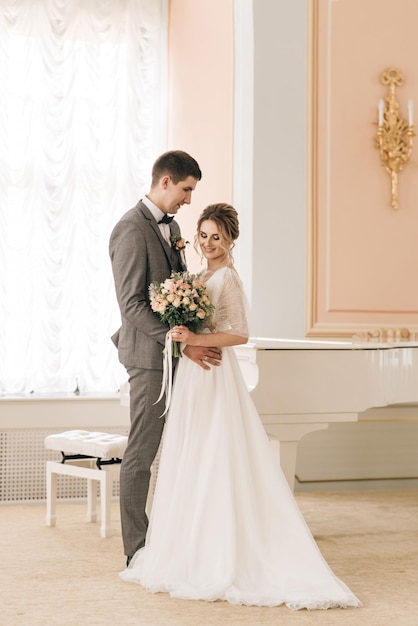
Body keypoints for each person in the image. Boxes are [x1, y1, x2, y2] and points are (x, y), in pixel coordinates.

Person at [119, 203, 362, 610]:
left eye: (216, 236)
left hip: (215, 374)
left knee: (218, 455)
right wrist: (183, 337)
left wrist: (195, 341)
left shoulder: (227, 277)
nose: (208, 243)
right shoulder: (197, 276)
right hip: (194, 376)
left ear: (230, 239)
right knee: (192, 455)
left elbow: (240, 333)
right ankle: (189, 547)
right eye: (203, 235)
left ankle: (224, 551)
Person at [109, 151, 222, 566]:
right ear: (166, 181)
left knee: (180, 449)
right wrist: (181, 343)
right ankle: (136, 550)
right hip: (148, 358)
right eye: (187, 190)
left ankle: (175, 539)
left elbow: (172, 289)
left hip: (175, 355)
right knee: (142, 452)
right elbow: (132, 306)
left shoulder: (171, 226)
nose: (189, 200)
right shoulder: (129, 229)